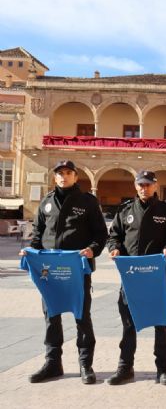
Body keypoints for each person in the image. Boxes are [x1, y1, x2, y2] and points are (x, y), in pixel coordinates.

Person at [23, 160, 107, 384]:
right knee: (52, 317)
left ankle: (85, 364)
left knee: (82, 316)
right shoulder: (46, 202)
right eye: (60, 173)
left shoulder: (87, 202)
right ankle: (53, 363)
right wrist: (32, 252)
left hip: (77, 269)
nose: (64, 176)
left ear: (75, 176)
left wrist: (93, 250)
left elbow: (101, 235)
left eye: (68, 173)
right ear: (55, 177)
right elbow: (38, 233)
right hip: (50, 271)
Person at [106, 170, 166, 386]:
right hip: (130, 277)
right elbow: (114, 237)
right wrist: (114, 249)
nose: (144, 188)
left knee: (160, 321)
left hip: (155, 276)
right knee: (128, 323)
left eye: (148, 184)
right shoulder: (125, 210)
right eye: (140, 184)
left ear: (155, 186)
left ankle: (163, 368)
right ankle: (125, 367)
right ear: (135, 185)